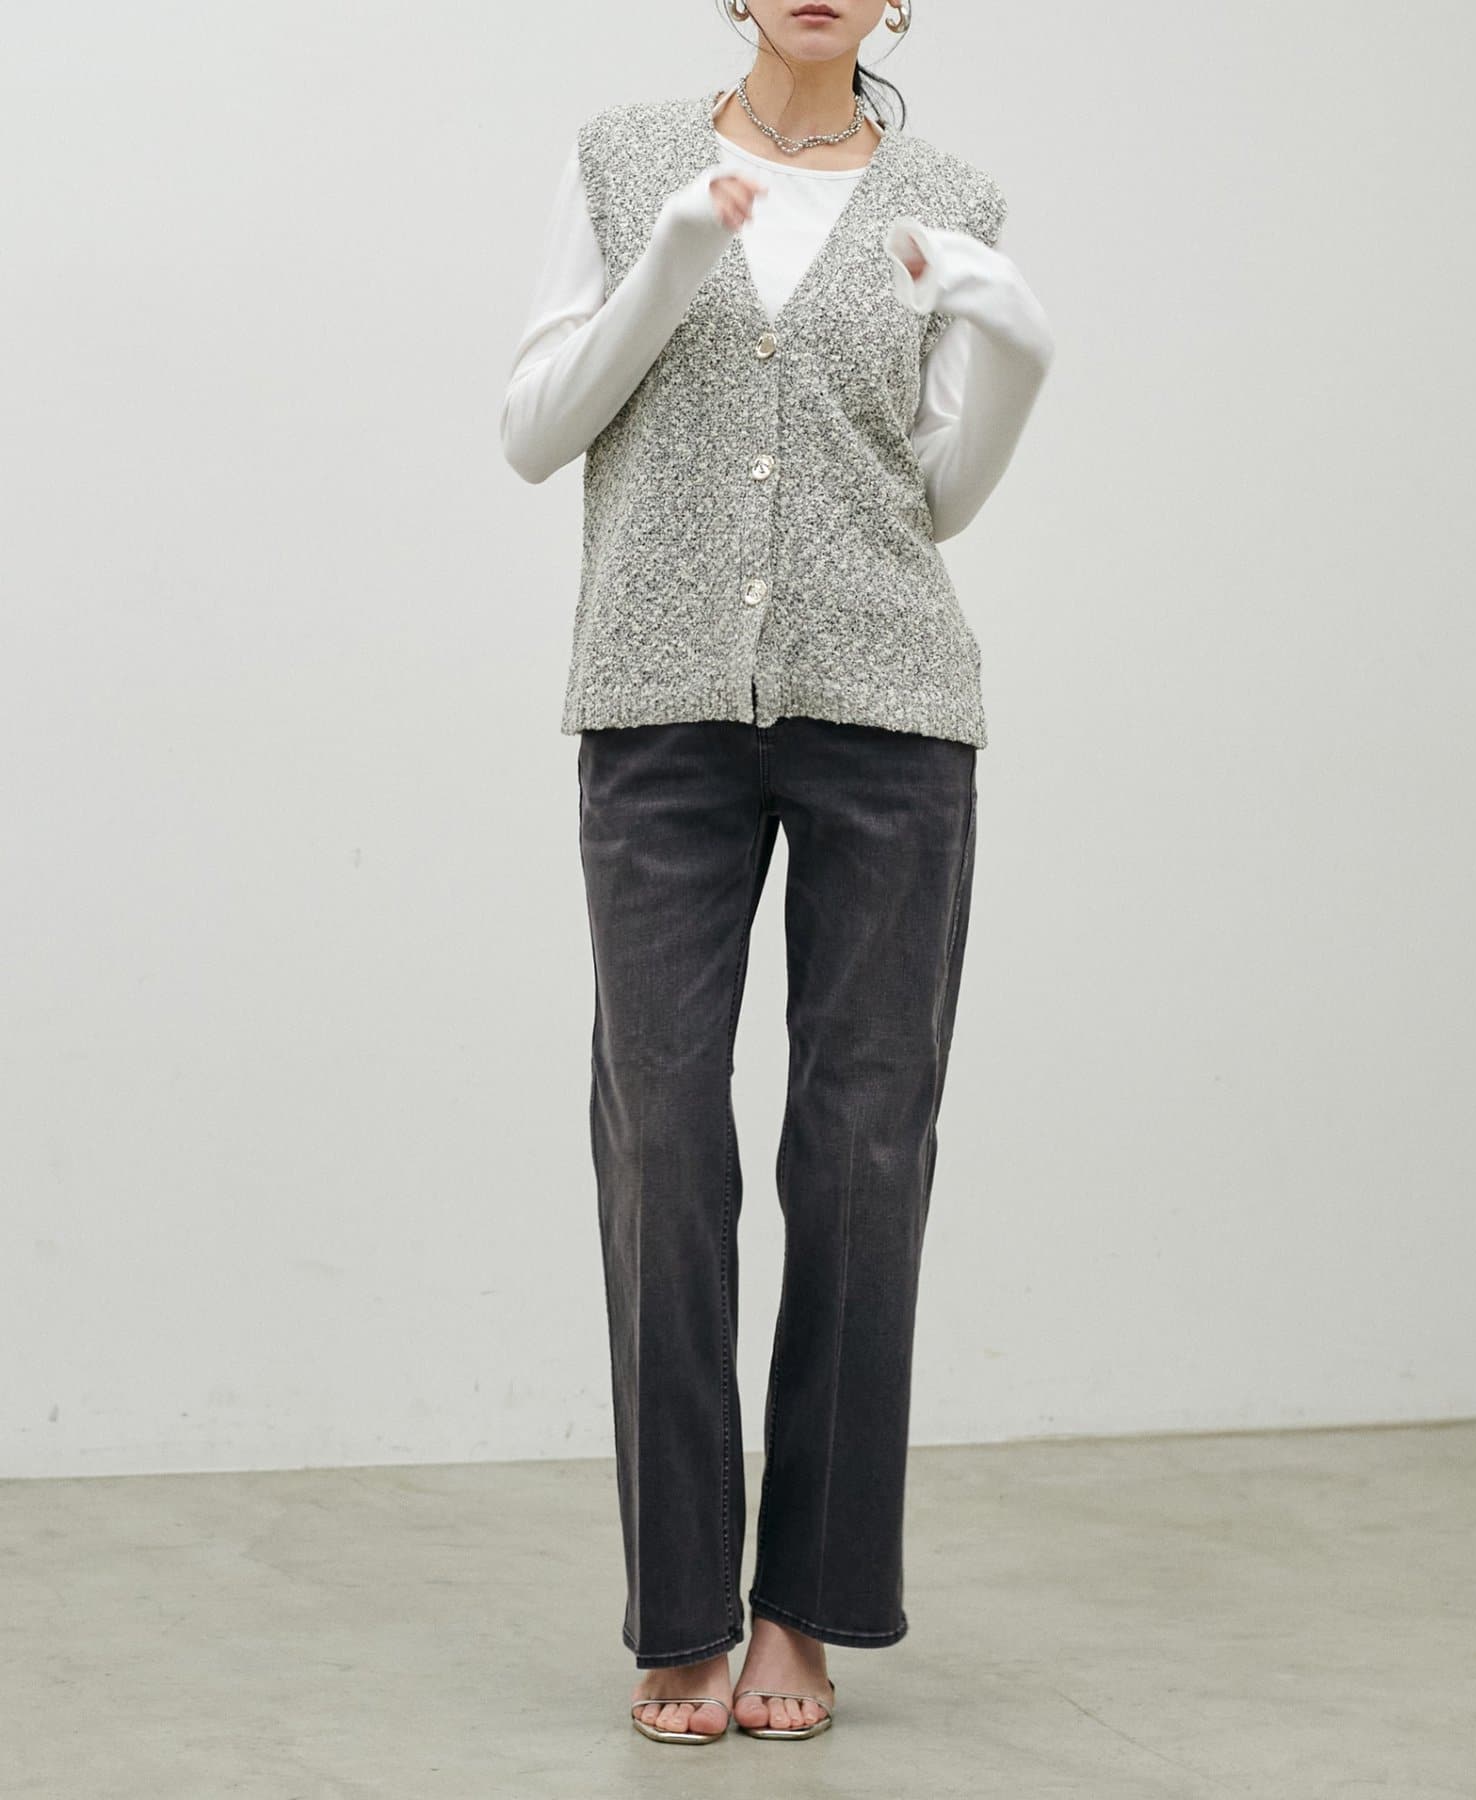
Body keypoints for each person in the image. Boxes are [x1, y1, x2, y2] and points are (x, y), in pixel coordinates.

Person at [501, 0, 1054, 1746]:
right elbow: (533, 429)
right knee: (663, 1140)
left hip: (891, 710)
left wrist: (1016, 354)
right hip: (657, 710)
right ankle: (680, 1609)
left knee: (865, 1154)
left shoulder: (954, 197)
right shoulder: (623, 163)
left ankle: (801, 1607)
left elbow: (932, 498)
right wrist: (670, 260)